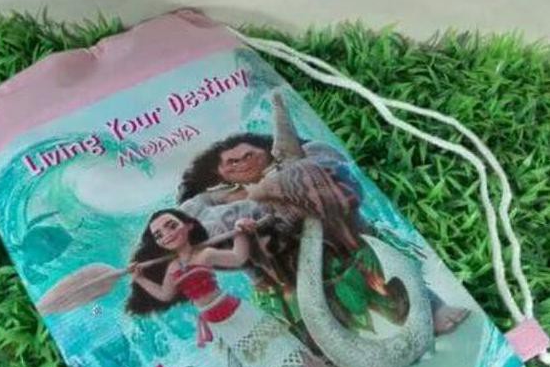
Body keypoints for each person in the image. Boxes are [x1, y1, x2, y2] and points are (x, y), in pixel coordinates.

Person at [177, 95, 469, 339]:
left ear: (265, 151)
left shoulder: (310, 153)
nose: (241, 163)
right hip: (289, 283)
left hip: (347, 253)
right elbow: (198, 234)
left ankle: (429, 307)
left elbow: (334, 178)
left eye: (248, 155)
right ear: (219, 173)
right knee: (303, 320)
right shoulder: (203, 206)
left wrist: (273, 187)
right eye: (231, 162)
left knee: (374, 266)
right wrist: (256, 202)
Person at [126, 209, 379, 367]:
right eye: (159, 235)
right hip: (219, 331)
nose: (166, 235)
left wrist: (240, 231)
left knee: (302, 359)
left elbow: (239, 257)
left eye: (171, 226)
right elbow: (165, 295)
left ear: (188, 225)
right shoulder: (172, 268)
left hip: (239, 316)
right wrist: (140, 278)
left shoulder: (206, 254)